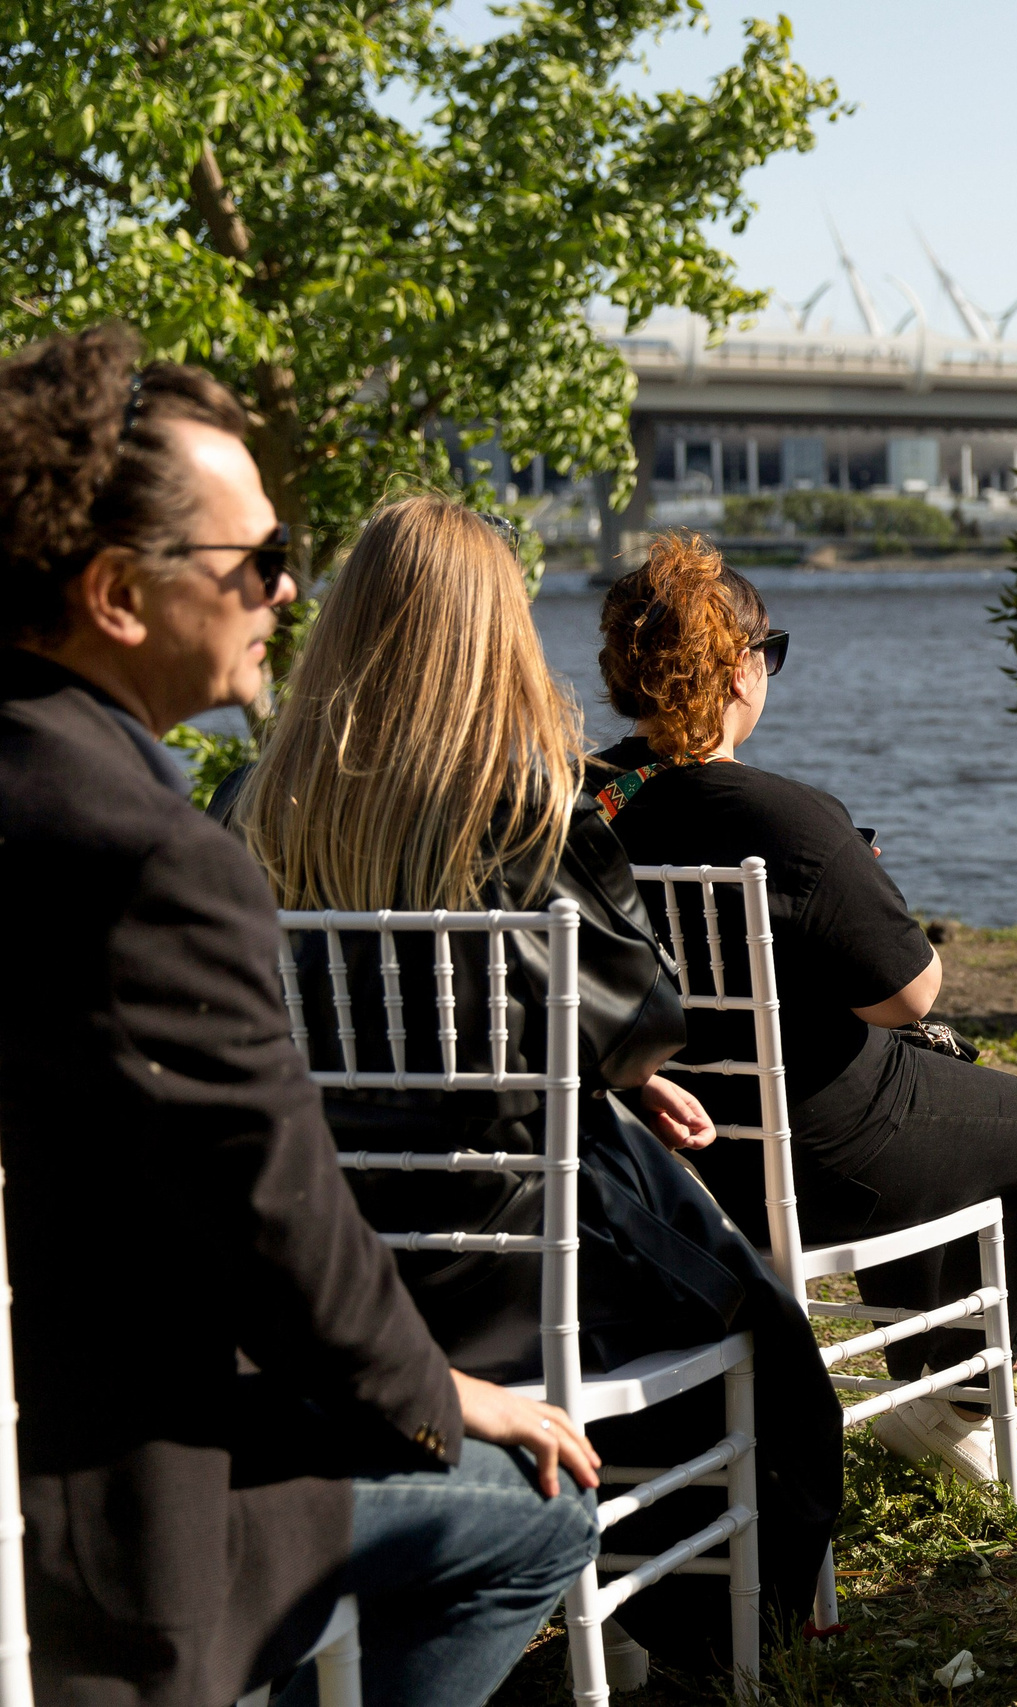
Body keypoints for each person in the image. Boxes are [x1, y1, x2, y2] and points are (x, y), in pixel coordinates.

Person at [0, 325, 598, 1707]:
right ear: (117, 593)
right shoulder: (149, 856)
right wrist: (449, 1393)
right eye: (258, 562)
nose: (286, 591)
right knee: (539, 1513)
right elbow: (287, 1222)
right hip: (126, 1513)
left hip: (37, 1416)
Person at [231, 495, 840, 1678]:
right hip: (498, 1268)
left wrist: (596, 1083)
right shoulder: (521, 816)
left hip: (334, 1269)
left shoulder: (247, 811)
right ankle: (715, 1634)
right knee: (755, 1325)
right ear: (497, 636)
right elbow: (641, 1017)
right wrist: (613, 1079)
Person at [586, 531, 1017, 1495]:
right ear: (736, 671)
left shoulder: (581, 802)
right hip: (816, 1149)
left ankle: (927, 1394)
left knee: (946, 1106)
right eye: (766, 652)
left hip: (661, 1162)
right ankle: (956, 1405)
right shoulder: (790, 820)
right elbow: (909, 993)